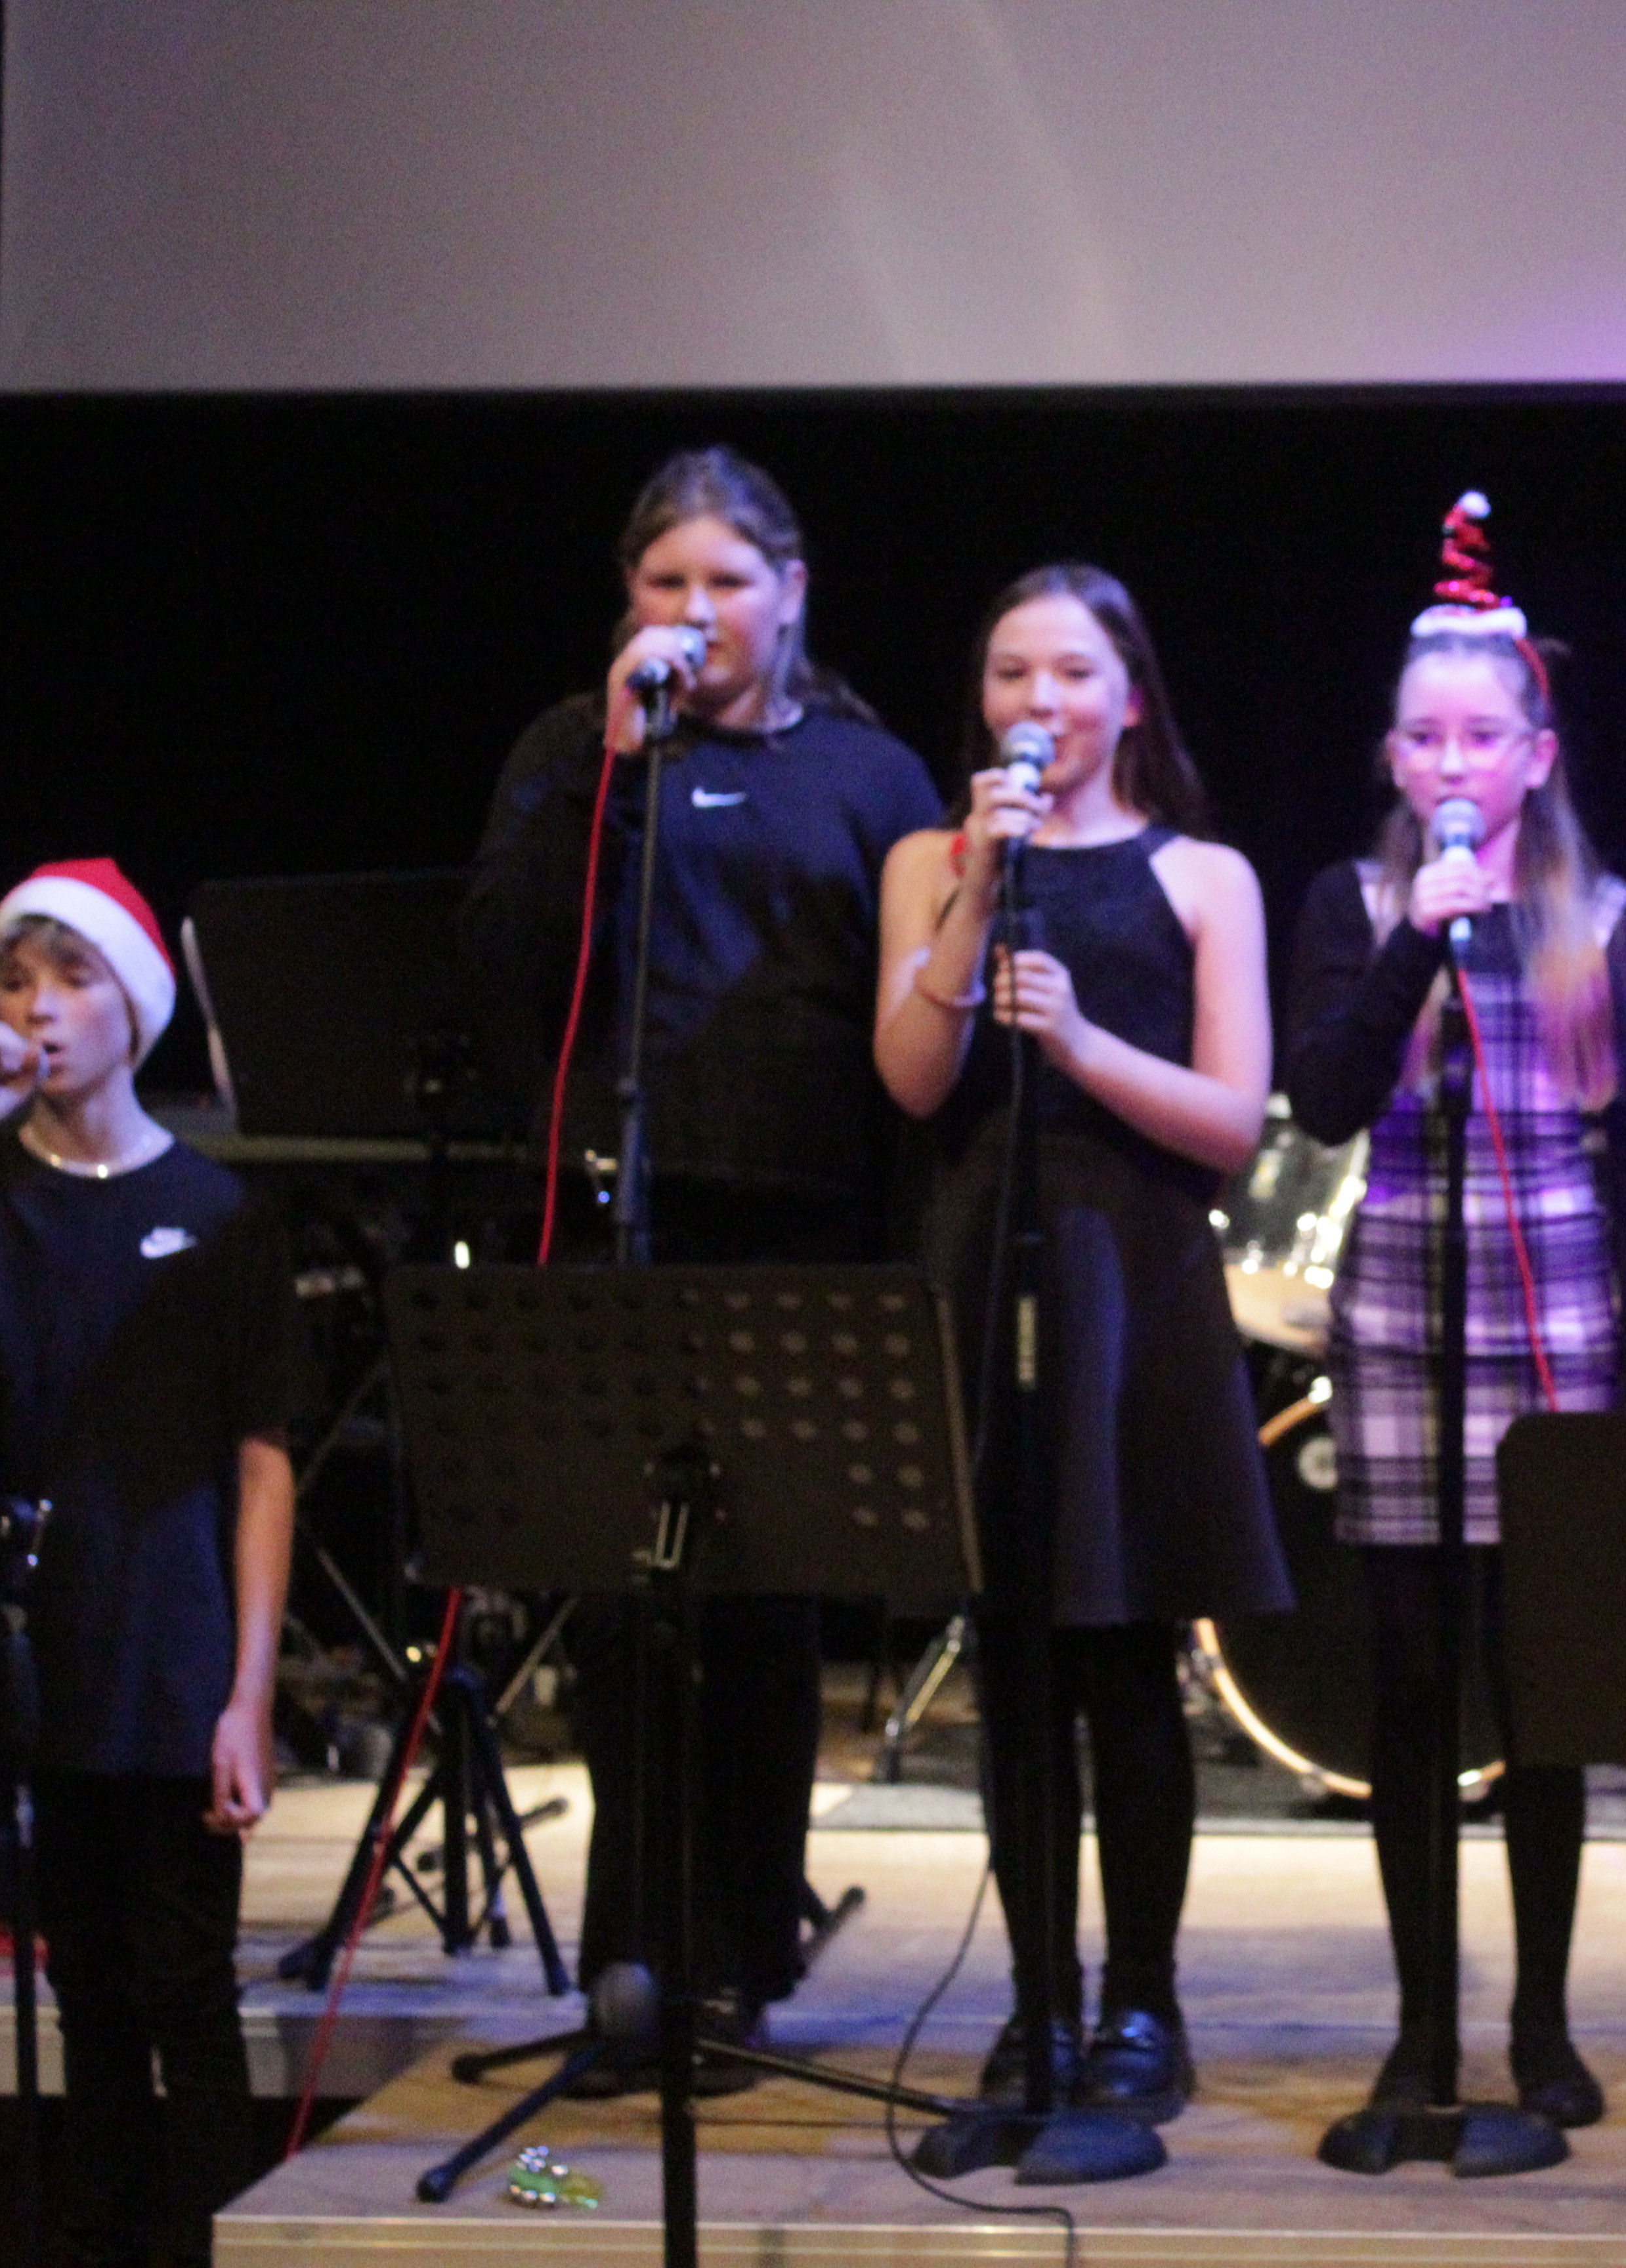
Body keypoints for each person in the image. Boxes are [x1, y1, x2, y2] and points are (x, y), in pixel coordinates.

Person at [460, 446, 944, 2075]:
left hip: (797, 1222)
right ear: (629, 599)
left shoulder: (869, 773)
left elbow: (914, 1010)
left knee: (761, 1607)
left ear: (790, 593)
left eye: (727, 581)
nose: (696, 610)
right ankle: (633, 1962)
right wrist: (606, 763)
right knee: (624, 1604)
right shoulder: (574, 751)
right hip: (621, 1217)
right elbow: (505, 970)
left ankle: (741, 1955)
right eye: (666, 582)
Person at [1281, 495, 1626, 2128]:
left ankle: (1539, 2022)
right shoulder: (1348, 904)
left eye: (1482, 737)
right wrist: (1416, 943)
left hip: (1560, 1313)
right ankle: (1418, 2029)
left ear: (1536, 756)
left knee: (1545, 1692)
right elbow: (1324, 1101)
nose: (1453, 761)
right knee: (1411, 1683)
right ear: (1394, 758)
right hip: (1403, 1310)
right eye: (1426, 737)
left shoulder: (1605, 916)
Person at [875, 561, 1283, 2121]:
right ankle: (1037, 2000)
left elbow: (1232, 1122)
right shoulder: (933, 861)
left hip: (1138, 1279)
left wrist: (1086, 1042)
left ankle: (1142, 2003)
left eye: (1067, 674)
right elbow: (912, 1080)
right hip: (986, 1271)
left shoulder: (1206, 876)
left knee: (1126, 1659)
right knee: (1017, 1662)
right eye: (1008, 675)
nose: (1035, 702)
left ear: (1127, 695)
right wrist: (977, 892)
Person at [0, 860, 303, 2268]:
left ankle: (210, 2242)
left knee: (187, 1990)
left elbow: (263, 1466)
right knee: (85, 1995)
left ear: (136, 1007)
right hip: (35, 1636)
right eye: (15, 978)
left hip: (172, 1640)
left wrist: (248, 1696)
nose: (38, 1007)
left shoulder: (218, 1211)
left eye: (71, 976)